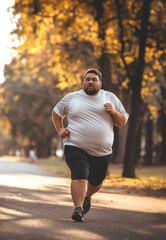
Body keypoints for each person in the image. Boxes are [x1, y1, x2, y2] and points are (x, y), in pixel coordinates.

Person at [51, 68, 128, 222]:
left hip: (102, 151)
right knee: (79, 176)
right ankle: (78, 209)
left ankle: (87, 195)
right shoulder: (72, 97)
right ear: (84, 82)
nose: (90, 82)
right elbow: (56, 112)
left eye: (94, 79)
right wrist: (60, 129)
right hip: (75, 145)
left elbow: (122, 122)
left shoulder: (110, 97)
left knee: (96, 182)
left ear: (100, 83)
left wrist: (113, 112)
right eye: (88, 79)